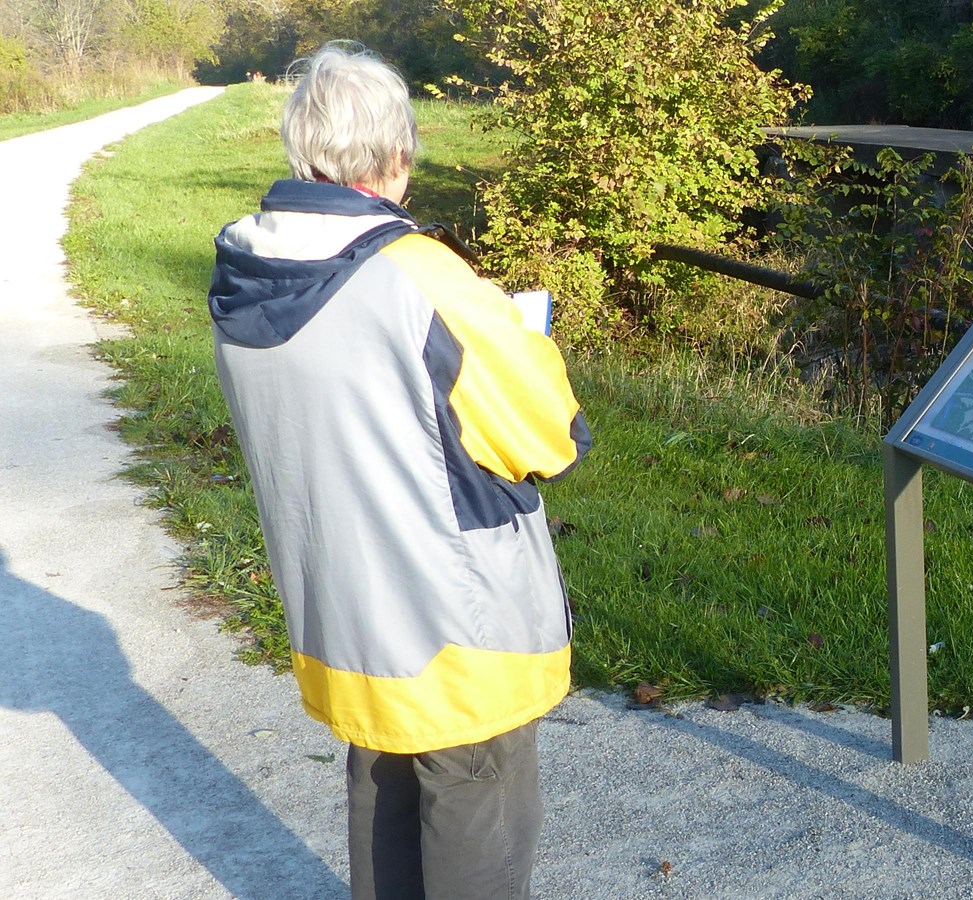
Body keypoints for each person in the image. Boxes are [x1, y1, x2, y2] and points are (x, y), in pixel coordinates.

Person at [208, 42, 590, 900]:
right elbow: (548, 437)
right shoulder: (420, 277)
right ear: (398, 156)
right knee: (475, 808)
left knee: (378, 784)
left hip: (345, 614)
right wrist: (519, 336)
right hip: (457, 628)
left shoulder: (245, 273)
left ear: (302, 148)